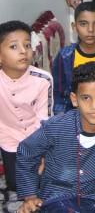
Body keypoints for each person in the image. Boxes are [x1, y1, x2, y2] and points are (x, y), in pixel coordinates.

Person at [16, 62, 95, 213]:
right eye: (86, 98)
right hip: (60, 197)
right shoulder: (56, 127)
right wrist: (30, 196)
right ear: (74, 99)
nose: (94, 106)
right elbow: (26, 151)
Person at [0, 21, 52, 193]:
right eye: (14, 46)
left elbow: (44, 119)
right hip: (8, 138)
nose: (23, 51)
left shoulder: (43, 80)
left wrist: (40, 150)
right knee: (16, 186)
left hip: (35, 138)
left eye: (27, 45)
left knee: (42, 182)